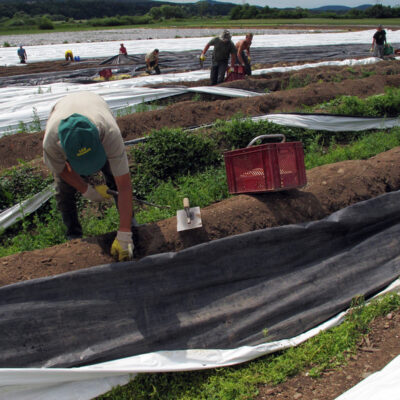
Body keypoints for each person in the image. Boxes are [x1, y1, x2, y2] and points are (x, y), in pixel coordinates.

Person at [43, 91, 134, 261]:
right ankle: (74, 237)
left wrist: (124, 234)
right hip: (63, 109)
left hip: (94, 104)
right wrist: (85, 189)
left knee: (114, 178)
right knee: (64, 190)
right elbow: (61, 169)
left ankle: (130, 226)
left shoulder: (109, 133)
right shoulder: (51, 141)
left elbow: (124, 185)